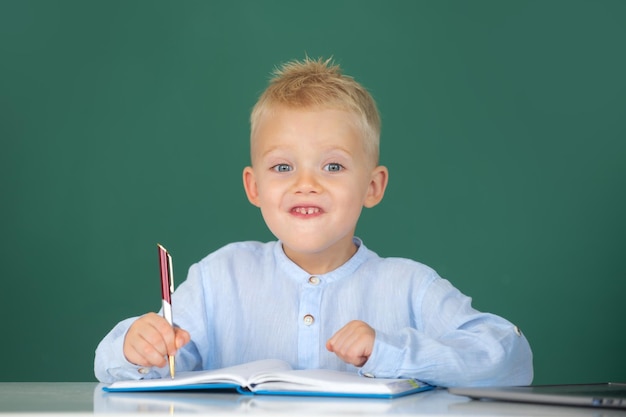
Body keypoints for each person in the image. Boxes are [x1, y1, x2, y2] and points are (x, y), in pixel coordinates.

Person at [94, 57, 533, 387]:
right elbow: (123, 369)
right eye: (283, 168)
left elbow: (511, 358)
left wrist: (390, 351)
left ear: (373, 187)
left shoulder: (410, 287)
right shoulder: (218, 279)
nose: (306, 184)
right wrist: (136, 347)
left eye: (333, 167)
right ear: (254, 187)